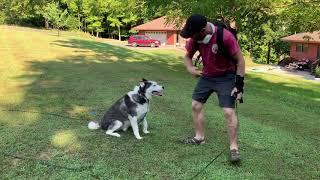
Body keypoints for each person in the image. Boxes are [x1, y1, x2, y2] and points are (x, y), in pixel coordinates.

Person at [180, 14, 245, 162]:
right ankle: (199, 137)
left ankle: (234, 148)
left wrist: (239, 85)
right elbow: (187, 56)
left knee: (228, 111)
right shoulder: (196, 37)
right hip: (207, 75)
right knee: (196, 105)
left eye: (193, 35)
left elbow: (240, 60)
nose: (191, 38)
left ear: (203, 30)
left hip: (227, 77)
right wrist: (190, 68)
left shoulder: (226, 37)